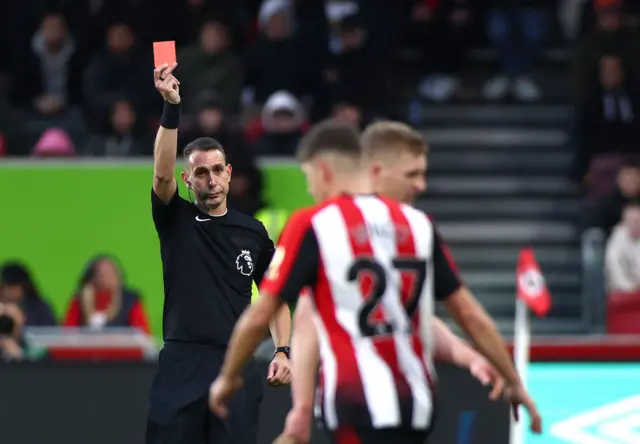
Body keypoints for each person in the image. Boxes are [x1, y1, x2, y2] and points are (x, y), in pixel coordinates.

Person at [209, 120, 542, 443]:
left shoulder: (318, 223)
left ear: (322, 171)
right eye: (414, 174)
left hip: (355, 400)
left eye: (310, 178)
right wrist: (509, 377)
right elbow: (465, 314)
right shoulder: (418, 225)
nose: (421, 185)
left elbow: (268, 314)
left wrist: (227, 377)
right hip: (417, 404)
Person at [146, 63, 292, 444]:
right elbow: (160, 176)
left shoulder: (253, 232)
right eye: (200, 173)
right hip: (182, 360)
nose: (210, 180)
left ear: (228, 172)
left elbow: (275, 297)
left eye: (216, 170)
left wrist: (283, 350)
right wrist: (171, 107)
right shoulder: (175, 218)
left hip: (235, 362)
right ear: (187, 179)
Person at [62, 255, 151, 333]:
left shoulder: (130, 300)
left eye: (111, 272)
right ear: (92, 277)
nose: (107, 277)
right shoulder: (79, 299)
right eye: (101, 273)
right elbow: (67, 333)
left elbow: (142, 333)